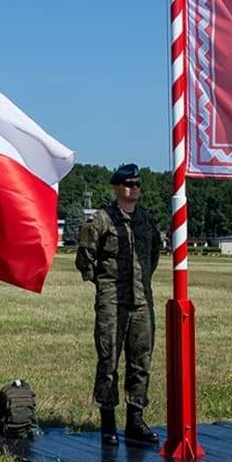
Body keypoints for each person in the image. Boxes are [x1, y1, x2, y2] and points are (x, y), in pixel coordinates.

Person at [75, 163, 161, 446]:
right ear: (116, 187)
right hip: (112, 301)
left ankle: (135, 419)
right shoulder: (102, 220)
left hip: (141, 301)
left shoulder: (146, 220)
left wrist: (142, 281)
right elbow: (85, 257)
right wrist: (103, 283)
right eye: (128, 184)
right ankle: (108, 423)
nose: (134, 189)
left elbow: (153, 255)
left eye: (137, 184)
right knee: (108, 359)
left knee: (141, 360)